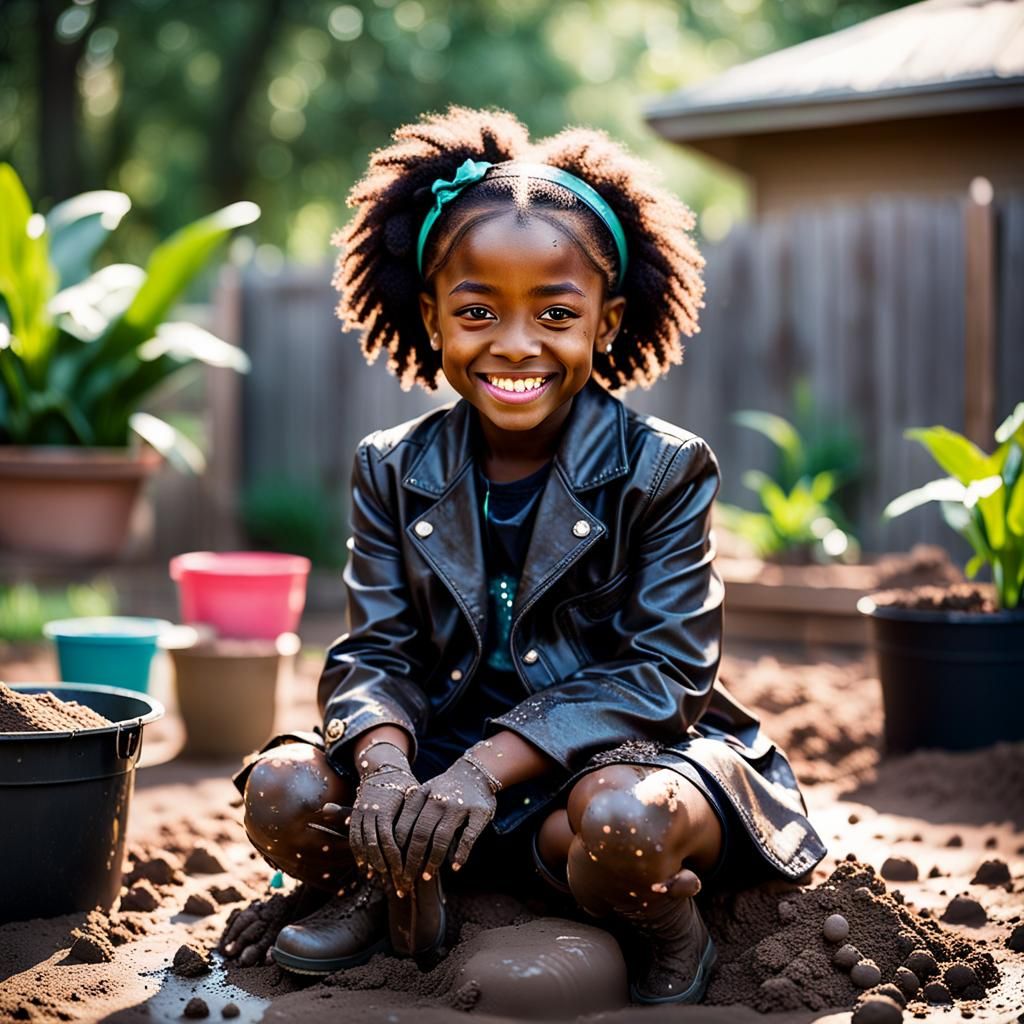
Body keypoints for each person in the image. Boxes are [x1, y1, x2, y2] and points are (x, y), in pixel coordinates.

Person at [220, 105, 826, 1004]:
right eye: (476, 310)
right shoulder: (390, 469)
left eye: (555, 311)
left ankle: (664, 927)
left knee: (621, 828)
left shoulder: (663, 469)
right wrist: (387, 770)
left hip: (620, 763)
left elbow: (666, 673)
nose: (514, 343)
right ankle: (389, 879)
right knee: (282, 789)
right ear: (430, 318)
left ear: (608, 322)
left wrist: (481, 771)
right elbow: (373, 654)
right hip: (440, 774)